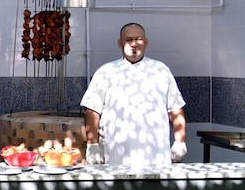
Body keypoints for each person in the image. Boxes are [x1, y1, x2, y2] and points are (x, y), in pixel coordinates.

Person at [80, 22, 187, 167]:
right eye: (128, 39)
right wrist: (92, 145)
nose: (134, 44)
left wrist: (180, 141)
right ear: (120, 44)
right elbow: (92, 110)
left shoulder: (161, 71)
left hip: (156, 156)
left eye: (139, 39)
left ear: (146, 42)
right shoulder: (105, 72)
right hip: (116, 156)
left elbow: (175, 109)